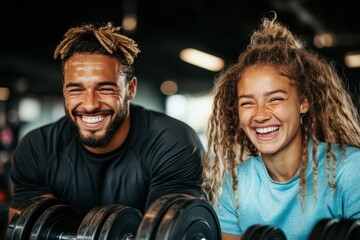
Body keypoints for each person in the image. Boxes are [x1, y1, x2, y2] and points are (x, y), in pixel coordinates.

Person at [8, 22, 204, 221]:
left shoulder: (171, 142)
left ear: (131, 89)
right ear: (64, 90)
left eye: (105, 88)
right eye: (76, 89)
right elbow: (26, 230)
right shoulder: (36, 149)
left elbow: (168, 232)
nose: (90, 104)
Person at [201, 12, 360, 240]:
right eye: (247, 103)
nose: (260, 115)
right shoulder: (237, 183)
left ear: (303, 102)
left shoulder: (350, 171)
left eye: (275, 99)